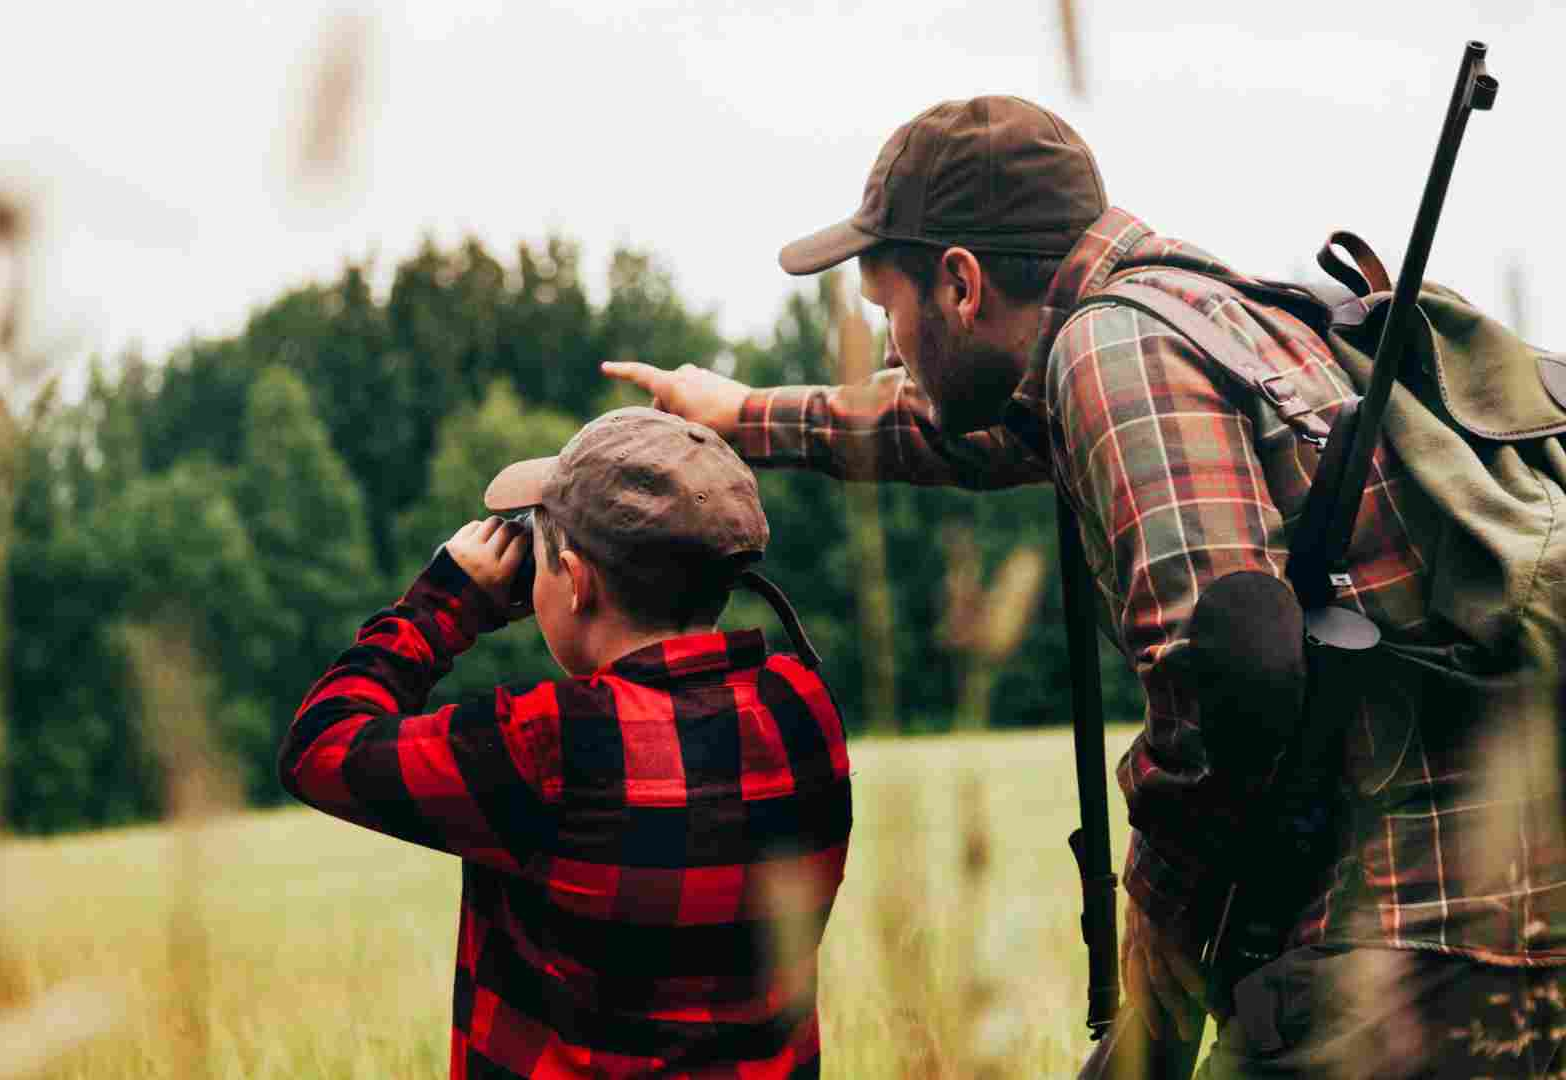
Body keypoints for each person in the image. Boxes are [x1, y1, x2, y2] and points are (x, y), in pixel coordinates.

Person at [605, 95, 1566, 1076]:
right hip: (1494, 919)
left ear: (962, 284)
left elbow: (1228, 692)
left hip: (1417, 948)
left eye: (883, 308)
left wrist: (1152, 1013)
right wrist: (742, 414)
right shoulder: (1187, 311)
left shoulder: (1113, 353)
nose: (889, 346)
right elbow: (945, 426)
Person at [279, 406, 852, 1079]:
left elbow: (319, 746)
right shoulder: (804, 708)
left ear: (576, 582)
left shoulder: (547, 746)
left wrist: (440, 609)